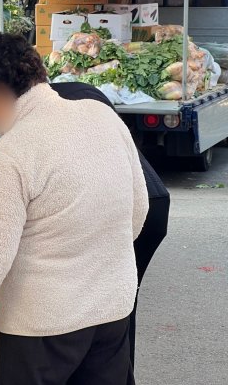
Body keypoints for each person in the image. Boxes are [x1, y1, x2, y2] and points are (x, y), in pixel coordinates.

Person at [0, 34, 149, 385]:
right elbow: (137, 208)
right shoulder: (102, 115)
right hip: (112, 309)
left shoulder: (14, 150)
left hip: (42, 325)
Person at [50, 81, 170, 364]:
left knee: (116, 306)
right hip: (145, 198)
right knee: (116, 305)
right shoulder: (74, 92)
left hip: (140, 203)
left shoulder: (60, 106)